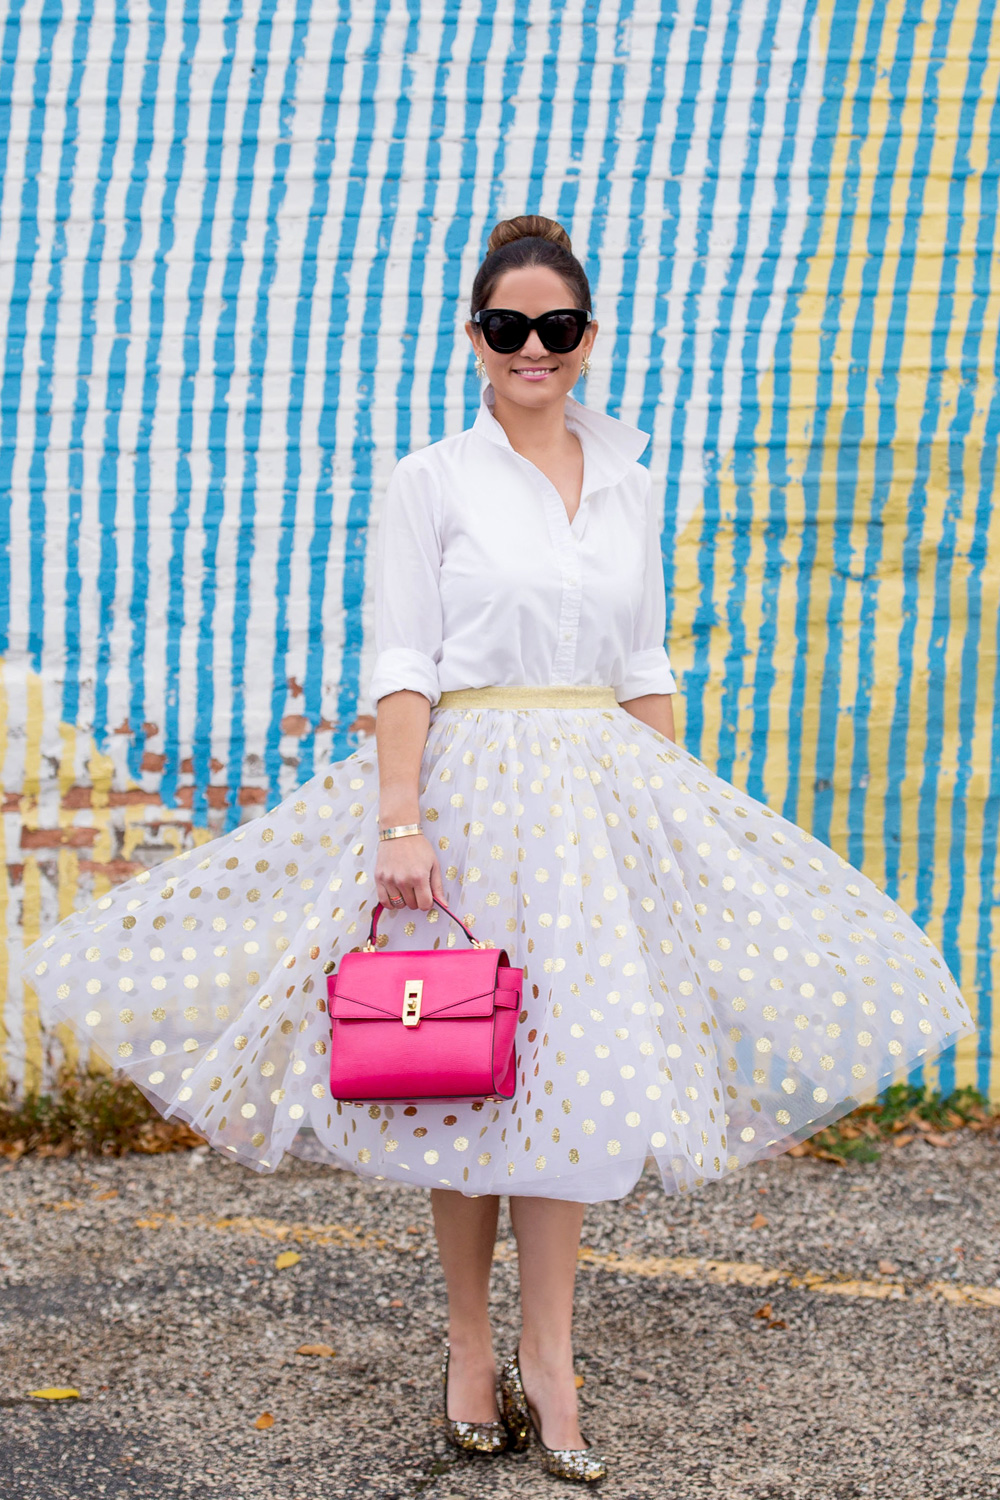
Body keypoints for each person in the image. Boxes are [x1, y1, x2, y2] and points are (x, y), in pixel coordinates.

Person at [22, 215, 976, 1485]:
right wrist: (401, 826)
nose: (535, 347)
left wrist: (672, 819)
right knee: (461, 1076)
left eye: (559, 328)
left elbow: (643, 665)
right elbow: (404, 662)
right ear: (476, 336)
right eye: (511, 326)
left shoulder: (628, 480)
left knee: (569, 1087)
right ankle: (470, 1352)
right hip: (471, 800)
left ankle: (551, 1364)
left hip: (596, 804)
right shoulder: (434, 479)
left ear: (589, 341)